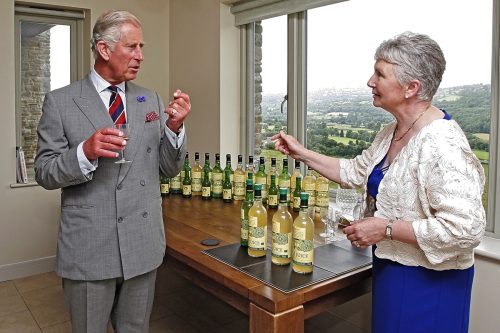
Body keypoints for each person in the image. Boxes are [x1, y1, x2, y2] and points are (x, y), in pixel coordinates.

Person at [272, 32, 485, 333]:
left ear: (411, 87)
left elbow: (465, 230)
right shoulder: (391, 132)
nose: (370, 81)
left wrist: (384, 228)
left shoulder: (443, 145)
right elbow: (354, 172)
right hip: (391, 271)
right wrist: (301, 153)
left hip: (430, 284)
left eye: (380, 74)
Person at [35, 10, 190, 332]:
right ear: (104, 50)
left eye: (141, 47)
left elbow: (169, 169)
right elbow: (45, 172)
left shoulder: (150, 100)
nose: (140, 56)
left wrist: (174, 129)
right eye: (132, 47)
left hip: (142, 242)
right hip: (90, 244)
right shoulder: (60, 102)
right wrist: (85, 152)